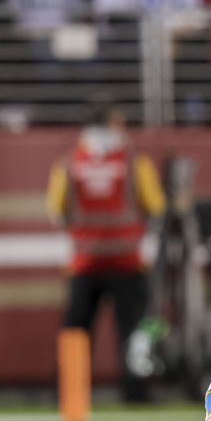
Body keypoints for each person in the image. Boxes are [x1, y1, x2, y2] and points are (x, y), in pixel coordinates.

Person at [47, 96, 166, 402]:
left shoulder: (69, 163)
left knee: (76, 332)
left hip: (84, 262)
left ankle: (72, 396)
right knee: (133, 333)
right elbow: (156, 205)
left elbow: (55, 208)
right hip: (128, 261)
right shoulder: (134, 162)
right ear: (112, 125)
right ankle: (136, 394)